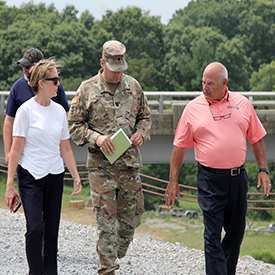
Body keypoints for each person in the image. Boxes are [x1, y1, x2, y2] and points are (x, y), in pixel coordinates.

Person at [165, 62, 271, 275]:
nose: (205, 87)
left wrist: (263, 169)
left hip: (237, 178)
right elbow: (179, 147)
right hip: (209, 180)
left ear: (225, 83)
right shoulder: (193, 109)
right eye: (203, 82)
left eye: (210, 83)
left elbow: (257, 139)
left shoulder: (243, 104)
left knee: (236, 232)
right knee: (212, 234)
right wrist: (173, 180)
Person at [68, 40, 151, 275]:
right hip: (101, 168)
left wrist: (141, 134)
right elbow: (74, 125)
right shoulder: (86, 89)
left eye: (121, 69)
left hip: (129, 166)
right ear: (102, 63)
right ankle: (107, 269)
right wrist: (96, 138)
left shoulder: (134, 87)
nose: (118, 74)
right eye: (114, 70)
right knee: (105, 223)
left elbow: (145, 117)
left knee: (129, 223)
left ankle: (114, 254)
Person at [4, 58, 82, 275]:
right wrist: (10, 185)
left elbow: (65, 148)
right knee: (34, 229)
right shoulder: (25, 111)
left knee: (51, 231)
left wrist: (75, 176)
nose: (59, 84)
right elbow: (16, 151)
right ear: (41, 83)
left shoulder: (59, 111)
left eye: (58, 79)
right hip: (30, 176)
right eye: (54, 80)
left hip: (55, 175)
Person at [4, 47, 70, 164]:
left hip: (49, 151)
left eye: (29, 66)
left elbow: (66, 114)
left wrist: (62, 147)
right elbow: (9, 120)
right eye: (23, 65)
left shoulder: (54, 86)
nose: (25, 68)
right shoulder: (17, 87)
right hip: (25, 153)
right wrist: (8, 151)